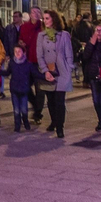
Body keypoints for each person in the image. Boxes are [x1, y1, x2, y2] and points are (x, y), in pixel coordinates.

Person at [33, 9, 73, 139]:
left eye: (47, 18)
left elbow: (69, 54)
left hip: (62, 71)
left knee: (59, 101)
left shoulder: (64, 35)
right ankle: (54, 121)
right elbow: (39, 55)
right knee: (50, 100)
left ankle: (60, 127)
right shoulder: (41, 36)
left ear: (54, 19)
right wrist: (45, 71)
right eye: (44, 18)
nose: (45, 21)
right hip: (48, 72)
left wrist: (69, 68)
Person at [8, 44, 36, 132]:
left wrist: (47, 76)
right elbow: (7, 72)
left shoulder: (28, 64)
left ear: (23, 52)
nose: (17, 53)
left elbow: (35, 74)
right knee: (16, 110)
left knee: (24, 109)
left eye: (19, 51)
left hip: (24, 90)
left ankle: (25, 121)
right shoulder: (12, 63)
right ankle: (17, 125)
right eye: (15, 52)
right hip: (14, 90)